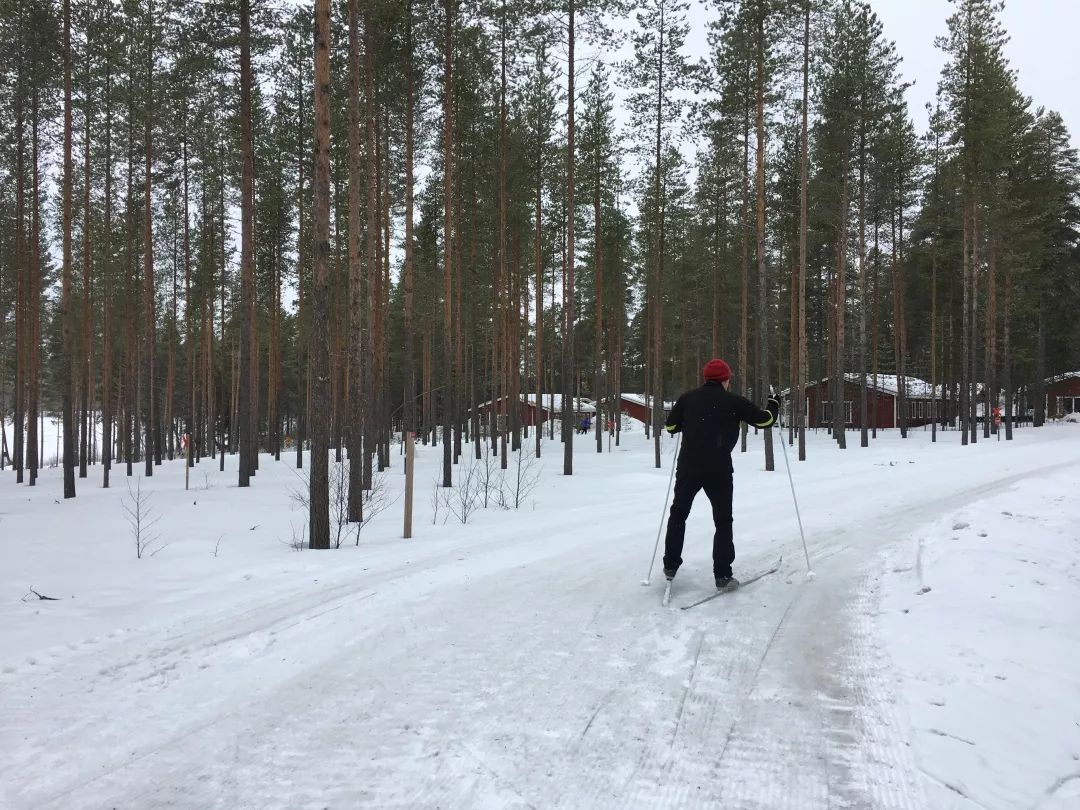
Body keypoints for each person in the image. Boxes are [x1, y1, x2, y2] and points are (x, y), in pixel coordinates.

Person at [661, 358, 780, 590]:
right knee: (723, 520)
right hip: (718, 469)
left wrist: (690, 421)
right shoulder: (734, 401)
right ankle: (722, 576)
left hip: (689, 467)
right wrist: (774, 403)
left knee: (679, 514)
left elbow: (671, 427)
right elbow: (765, 420)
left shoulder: (687, 398)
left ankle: (670, 565)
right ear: (726, 379)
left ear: (706, 378)